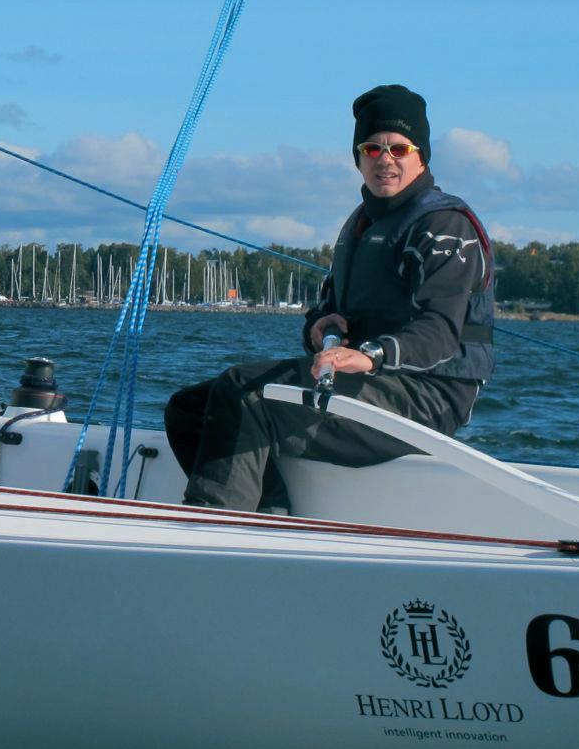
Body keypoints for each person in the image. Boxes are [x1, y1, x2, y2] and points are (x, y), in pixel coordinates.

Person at [164, 84, 494, 512]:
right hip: (370, 383)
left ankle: (220, 525)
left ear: (421, 156)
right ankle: (267, 521)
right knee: (190, 408)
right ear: (358, 158)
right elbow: (328, 309)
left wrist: (371, 355)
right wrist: (319, 328)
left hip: (427, 399)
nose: (385, 160)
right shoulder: (362, 226)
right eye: (372, 149)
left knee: (246, 394)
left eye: (399, 148)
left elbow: (441, 331)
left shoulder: (446, 227)